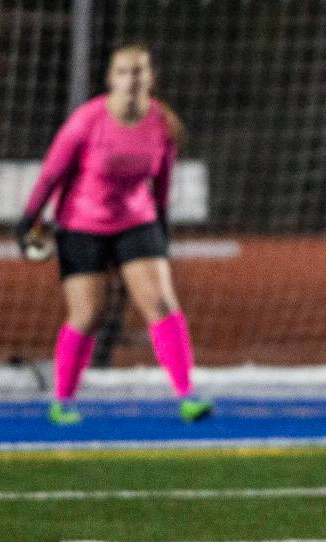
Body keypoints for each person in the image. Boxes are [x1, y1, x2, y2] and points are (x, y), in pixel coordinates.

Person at [16, 44, 212, 425]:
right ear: (111, 79)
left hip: (137, 220)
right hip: (80, 224)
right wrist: (28, 219)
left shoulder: (164, 124)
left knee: (161, 303)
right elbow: (52, 173)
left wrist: (162, 228)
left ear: (151, 78)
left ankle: (187, 396)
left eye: (140, 71)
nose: (132, 79)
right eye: (124, 71)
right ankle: (63, 401)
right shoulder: (86, 121)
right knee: (88, 313)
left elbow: (163, 182)